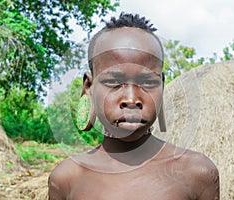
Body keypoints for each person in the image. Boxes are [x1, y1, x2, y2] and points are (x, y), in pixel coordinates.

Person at [48, 13, 219, 200]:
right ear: (89, 87)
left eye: (147, 82)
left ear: (161, 85)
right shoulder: (67, 179)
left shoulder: (197, 173)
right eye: (114, 81)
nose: (131, 99)